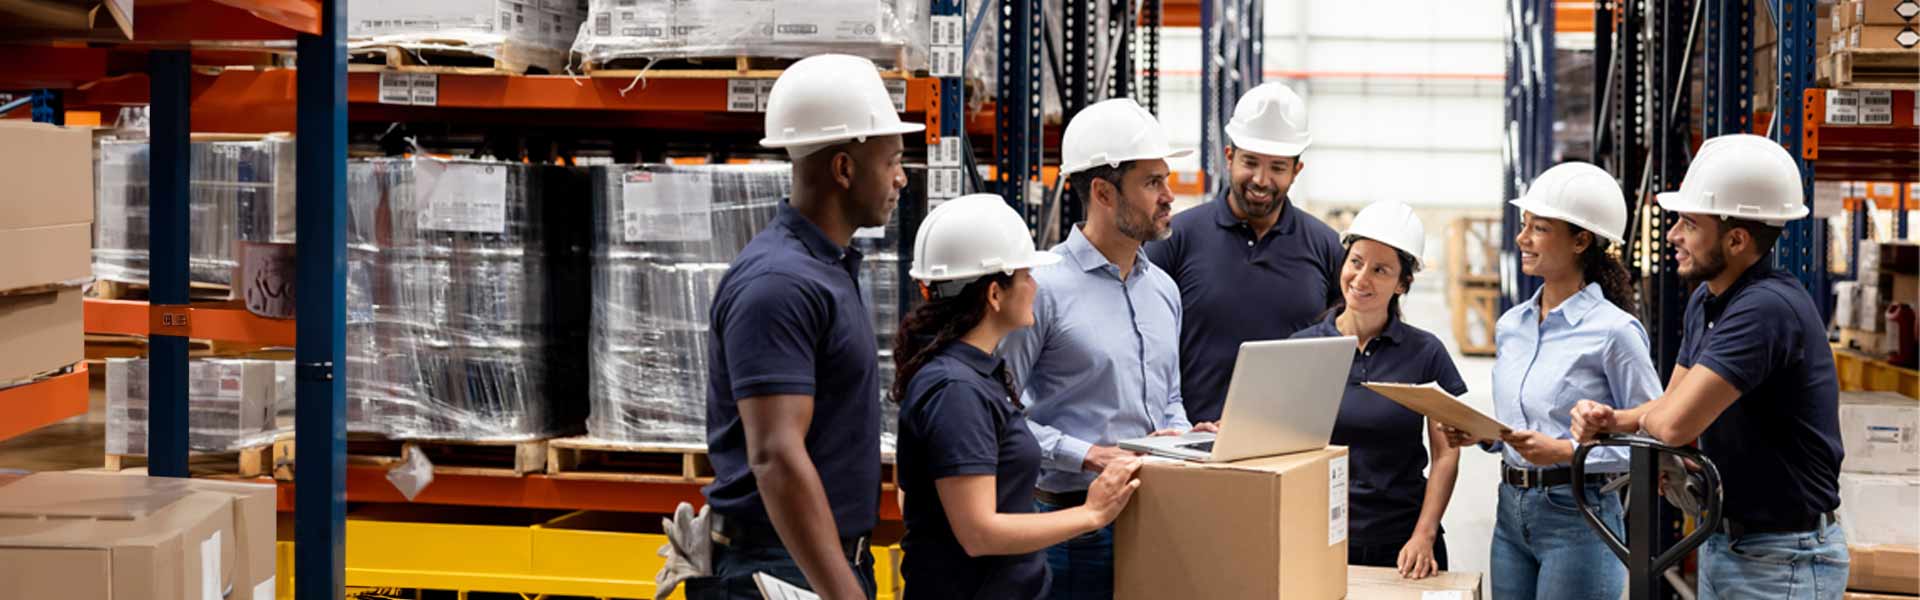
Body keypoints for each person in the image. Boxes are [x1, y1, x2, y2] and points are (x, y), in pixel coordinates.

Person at [1572, 134, 1847, 600]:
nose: (1673, 235)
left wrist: (1657, 428)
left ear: (1737, 239)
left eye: (1689, 223)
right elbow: (1669, 403)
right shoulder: (1708, 299)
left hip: (1784, 559)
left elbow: (1675, 422)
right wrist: (1616, 421)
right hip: (1727, 541)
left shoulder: (1766, 308)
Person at [696, 54, 923, 600]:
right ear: (844, 169)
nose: (901, 178)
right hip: (787, 569)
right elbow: (776, 455)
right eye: (891, 160)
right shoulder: (780, 284)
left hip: (812, 562)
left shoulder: (824, 269)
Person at [999, 97, 1214, 600]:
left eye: (1166, 180)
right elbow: (1001, 418)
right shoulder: (1041, 288)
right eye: (1152, 182)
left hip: (1153, 516)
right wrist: (1088, 455)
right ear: (1102, 192)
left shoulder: (1163, 289)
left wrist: (1184, 438)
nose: (1169, 196)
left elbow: (1169, 400)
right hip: (1068, 524)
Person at [894, 193, 1145, 600]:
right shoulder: (957, 390)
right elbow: (978, 533)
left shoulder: (971, 373)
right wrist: (1091, 512)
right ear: (994, 294)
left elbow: (912, 494)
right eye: (1027, 276)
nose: (1035, 286)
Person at [1441, 161, 1662, 600]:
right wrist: (1483, 434)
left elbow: (1653, 438)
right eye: (1525, 226)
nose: (1522, 239)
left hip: (1578, 514)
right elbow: (1521, 421)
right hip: (1510, 510)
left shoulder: (1614, 332)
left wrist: (1565, 452)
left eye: (1538, 228)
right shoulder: (1512, 326)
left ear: (1581, 240)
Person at [1145, 82, 1344, 424]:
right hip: (1190, 442)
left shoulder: (1326, 247)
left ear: (1296, 171)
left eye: (1278, 167)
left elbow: (1347, 350)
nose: (1261, 180)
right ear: (1228, 157)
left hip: (1293, 441)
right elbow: (1142, 349)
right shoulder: (1176, 239)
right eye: (1250, 162)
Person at [1290, 200, 1465, 579]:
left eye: (1380, 269)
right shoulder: (1304, 348)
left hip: (1404, 543)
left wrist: (1424, 535)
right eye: (1356, 261)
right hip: (1321, 537)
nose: (1361, 278)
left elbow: (1446, 454)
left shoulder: (1425, 353)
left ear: (1402, 283)